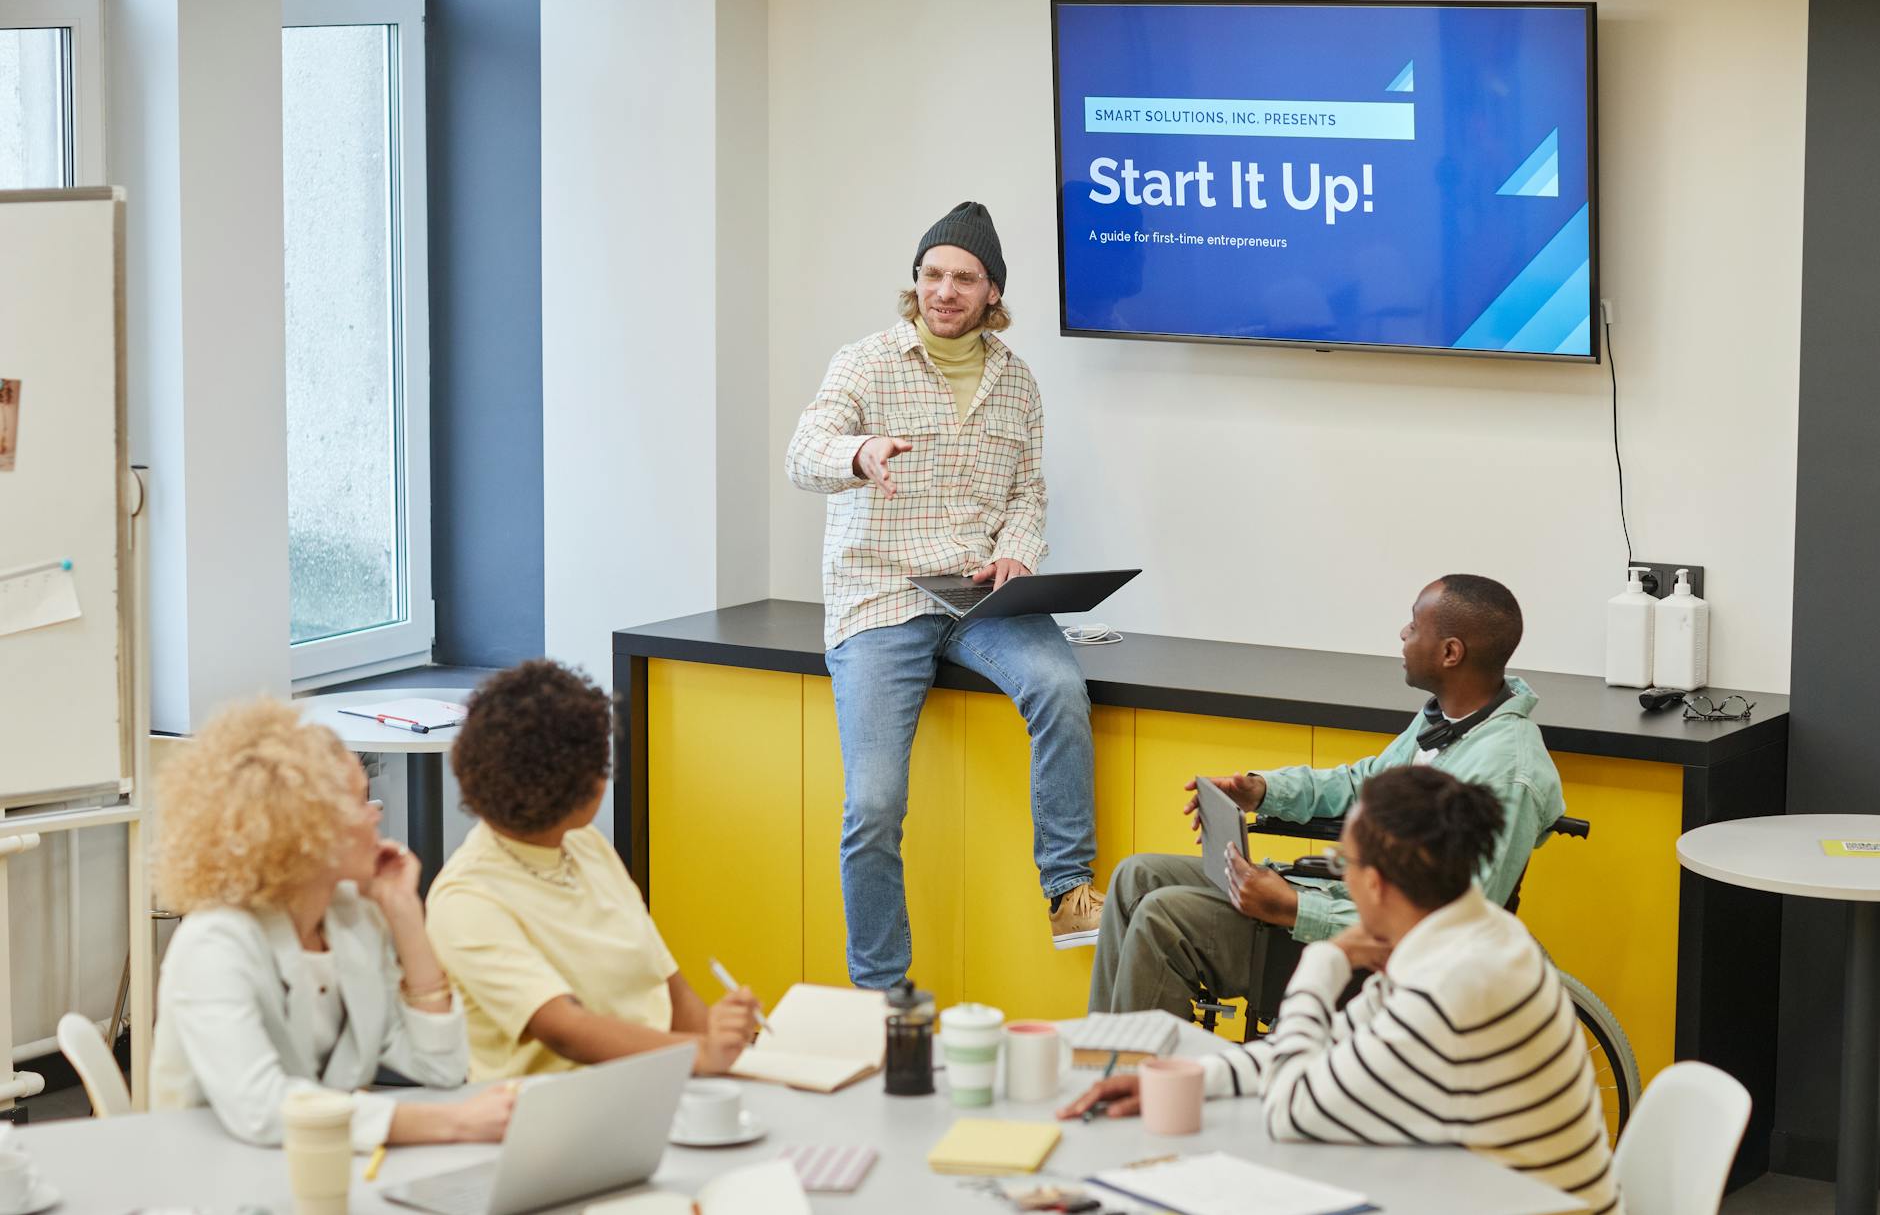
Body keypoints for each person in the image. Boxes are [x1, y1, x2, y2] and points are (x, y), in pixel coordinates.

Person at [784, 200, 1102, 989]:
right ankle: (882, 990)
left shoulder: (1017, 382)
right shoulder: (864, 364)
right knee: (874, 806)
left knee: (1061, 686)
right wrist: (860, 452)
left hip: (976, 595)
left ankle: (1067, 890)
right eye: (932, 274)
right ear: (915, 282)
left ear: (992, 292)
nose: (944, 290)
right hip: (881, 595)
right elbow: (804, 452)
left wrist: (1017, 556)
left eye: (963, 278)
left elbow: (1029, 492)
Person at [1063, 767, 1622, 1215]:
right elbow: (1329, 1047)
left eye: (1342, 864)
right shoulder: (1472, 933)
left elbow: (1291, 1107)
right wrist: (1191, 1078)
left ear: (1373, 884)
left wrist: (1325, 961)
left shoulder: (1451, 987)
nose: (1338, 875)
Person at [1090, 574, 1564, 1018]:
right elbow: (1364, 783)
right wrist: (1264, 790)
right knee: (1137, 877)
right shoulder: (1449, 721)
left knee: (1162, 919)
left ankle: (1139, 1090)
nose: (1403, 633)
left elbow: (1453, 923)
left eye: (1415, 626)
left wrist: (1293, 907)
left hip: (1370, 952)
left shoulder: (1508, 774)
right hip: (1342, 897)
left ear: (1450, 653)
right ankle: (1101, 1065)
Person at [150, 699, 512, 1151]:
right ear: (301, 830)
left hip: (319, 1167)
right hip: (215, 1179)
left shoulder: (351, 916)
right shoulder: (215, 944)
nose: (375, 813)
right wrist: (452, 1123)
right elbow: (263, 1109)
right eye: (358, 802)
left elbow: (440, 1067)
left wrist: (406, 917)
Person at [425, 659, 758, 1080]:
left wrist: (723, 1040)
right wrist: (701, 1052)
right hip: (557, 1113)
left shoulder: (586, 847)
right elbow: (566, 1030)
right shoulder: (467, 899)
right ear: (582, 786)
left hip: (660, 1084)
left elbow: (668, 986)